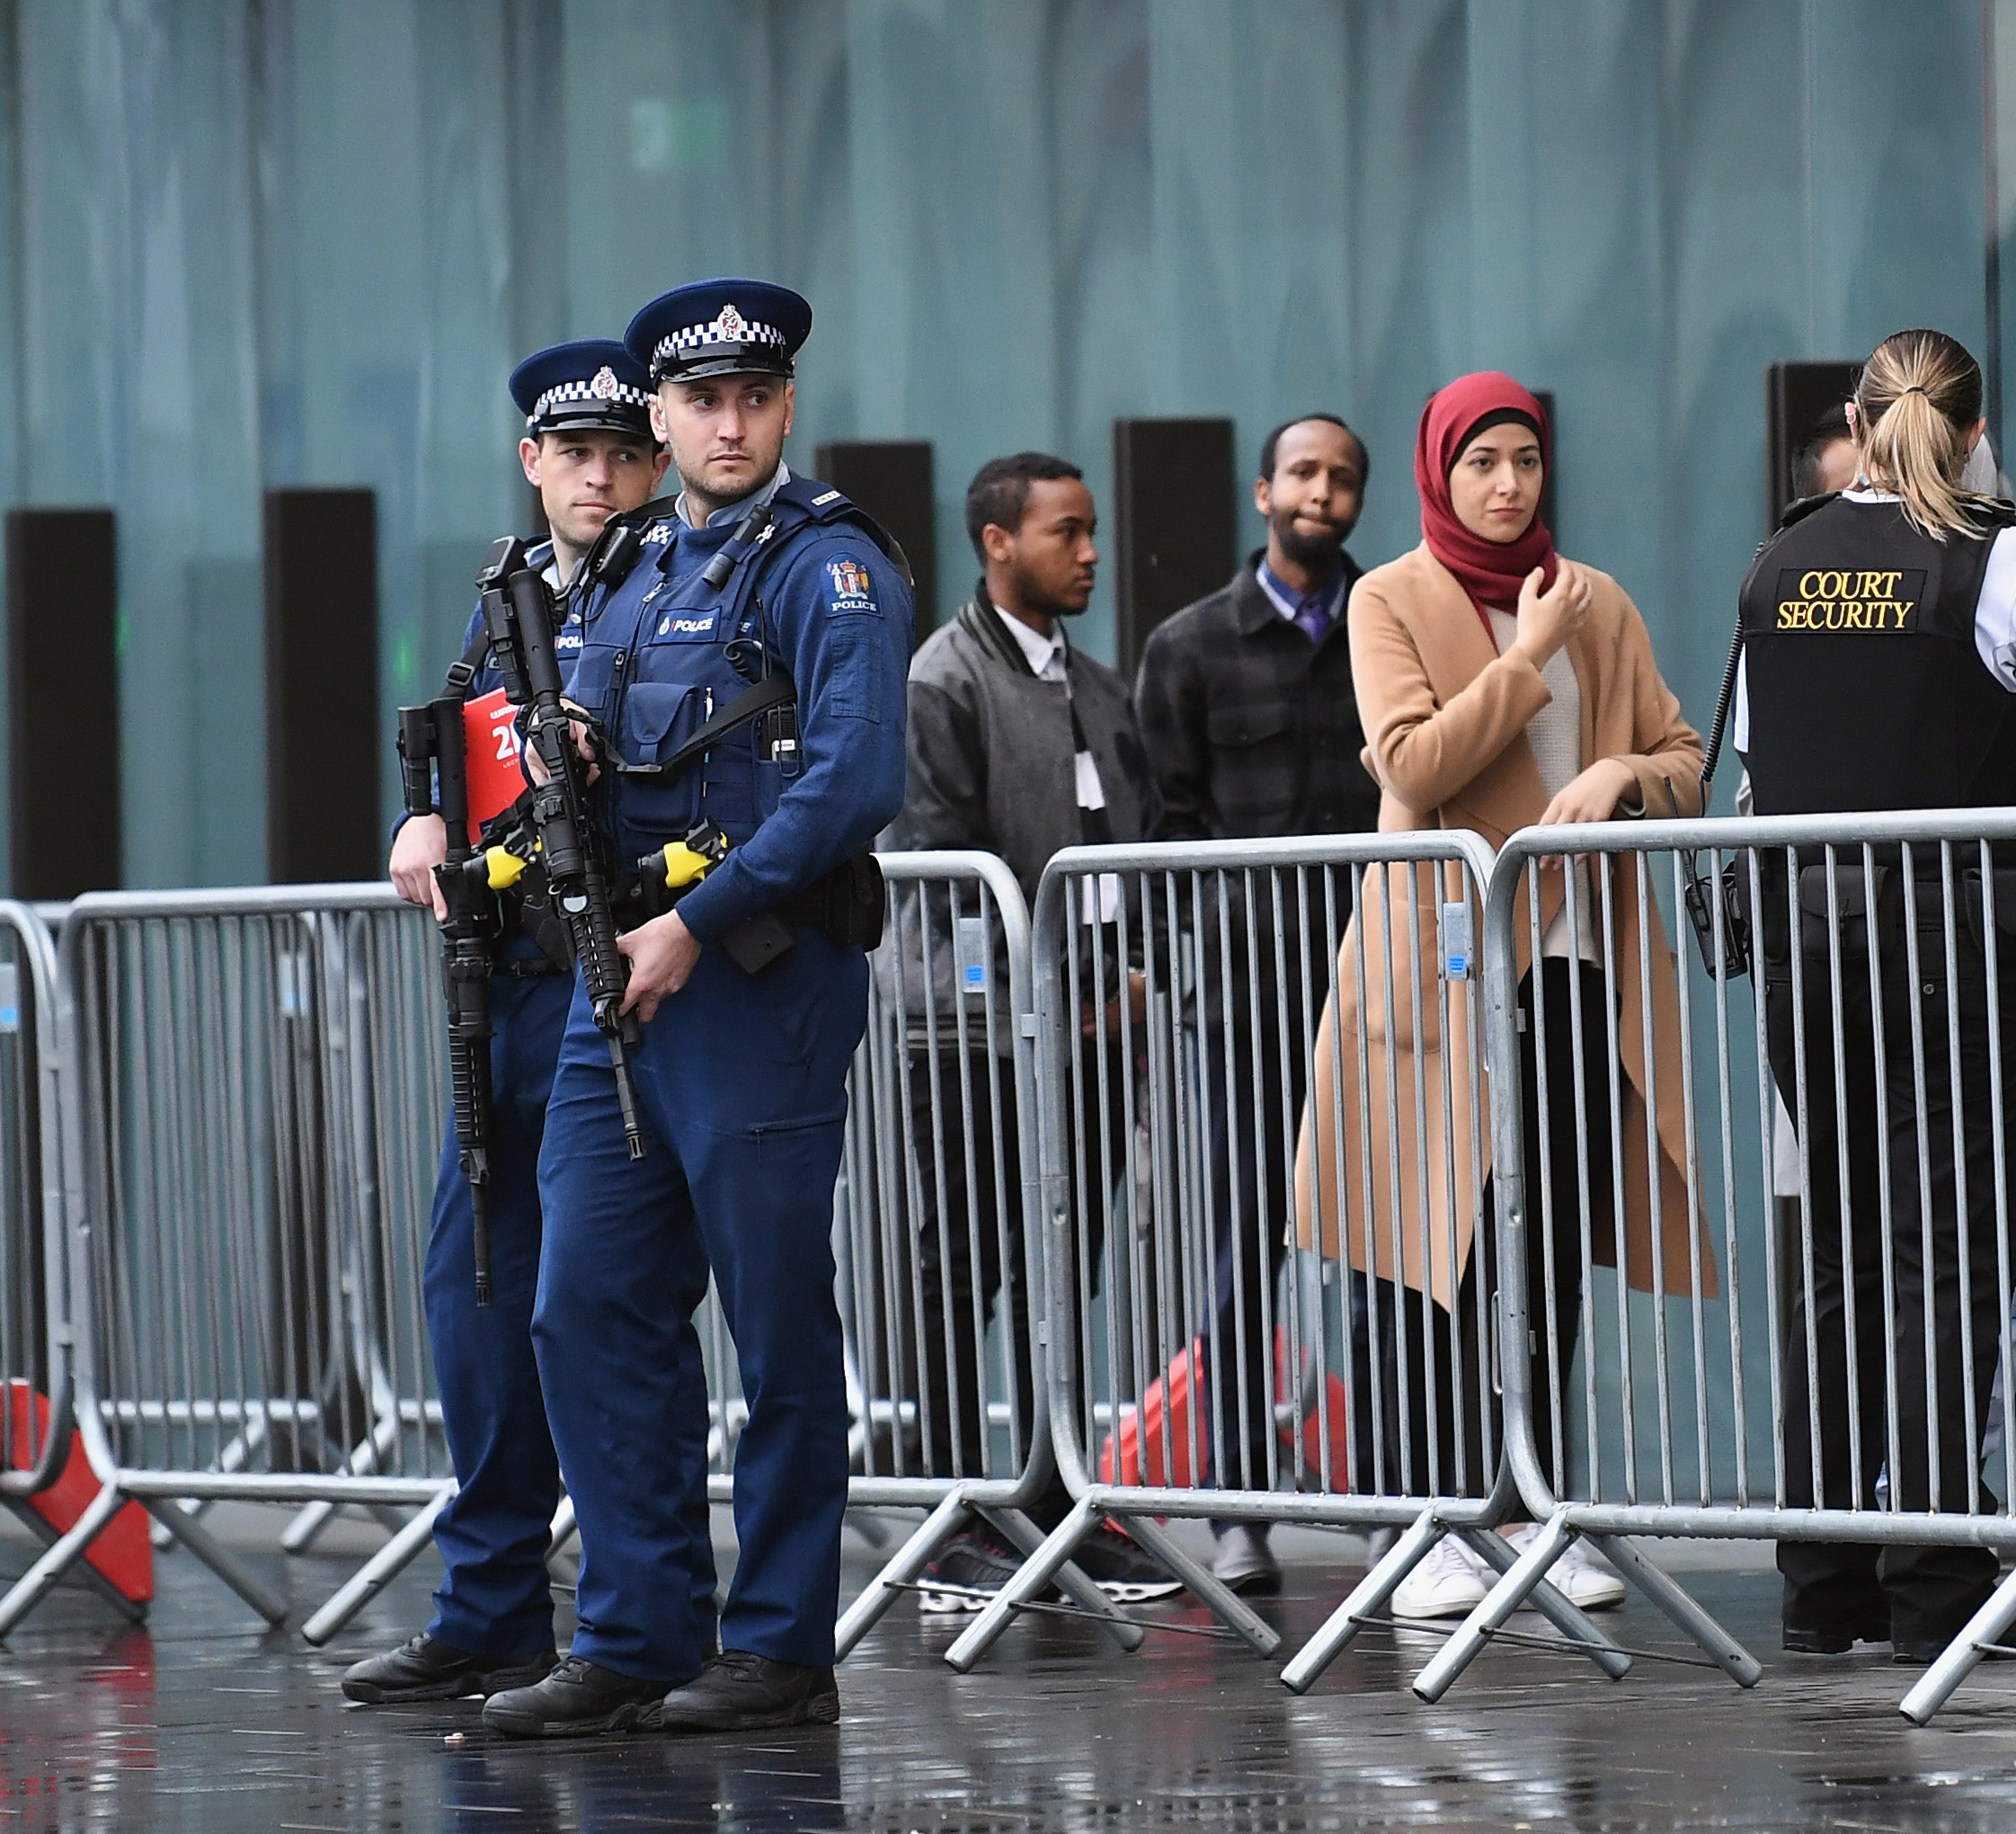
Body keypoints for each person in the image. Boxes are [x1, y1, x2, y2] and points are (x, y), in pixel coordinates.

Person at [492, 279, 912, 1737]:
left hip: (757, 984)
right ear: (661, 419)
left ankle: (783, 1637)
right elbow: (578, 737)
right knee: (582, 1301)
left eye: (754, 396)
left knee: (776, 1316)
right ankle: (635, 1629)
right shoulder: (630, 568)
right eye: (701, 401)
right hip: (629, 990)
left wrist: (691, 920)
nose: (729, 422)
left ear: (784, 407)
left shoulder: (826, 566)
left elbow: (851, 785)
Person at [1289, 372, 1709, 1620]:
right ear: (1441, 471)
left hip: (1576, 972)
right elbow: (1415, 760)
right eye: (1483, 461)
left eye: (1526, 457)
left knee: (1546, 1258)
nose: (1509, 483)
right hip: (1438, 976)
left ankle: (1534, 1500)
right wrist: (1523, 659)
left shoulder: (1600, 601)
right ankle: (1423, 1519)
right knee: (1428, 1249)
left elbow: (1689, 758)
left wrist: (1623, 776)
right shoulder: (1390, 598)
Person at [1732, 327, 2016, 1664]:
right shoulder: (2011, 560)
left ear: (1857, 416)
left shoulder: (1777, 563)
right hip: (1958, 954)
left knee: (1836, 1255)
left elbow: (1765, 770)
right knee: (1945, 1257)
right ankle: (1937, 1578)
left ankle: (1824, 1582)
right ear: (1973, 428)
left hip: (1811, 961)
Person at [343, 341, 670, 1707]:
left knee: (595, 1314)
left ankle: (631, 1625)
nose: (599, 476)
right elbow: (467, 755)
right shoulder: (513, 593)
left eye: (622, 452)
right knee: (471, 1295)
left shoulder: (685, 579)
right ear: (533, 460)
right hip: (512, 987)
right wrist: (418, 815)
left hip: (628, 985)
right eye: (572, 452)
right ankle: (489, 1608)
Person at [879, 451, 1178, 1607]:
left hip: (1095, 1032)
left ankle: (1055, 1504)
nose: (1091, 551)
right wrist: (1071, 980)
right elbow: (948, 864)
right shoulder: (941, 680)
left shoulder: (1101, 688)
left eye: (1094, 529)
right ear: (999, 544)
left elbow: (1135, 857)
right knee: (966, 1266)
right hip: (971, 1036)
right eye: (1067, 532)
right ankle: (962, 1509)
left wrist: (1132, 973)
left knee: (1060, 1272)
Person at [1128, 414, 1378, 1594]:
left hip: (1384, 997)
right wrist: (1200, 959)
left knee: (1390, 1252)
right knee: (1242, 1251)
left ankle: (1397, 1496)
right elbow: (1167, 830)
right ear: (1263, 489)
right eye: (1304, 474)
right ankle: (1239, 1506)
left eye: (1342, 479)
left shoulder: (1391, 631)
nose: (1321, 493)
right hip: (1246, 995)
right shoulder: (1188, 647)